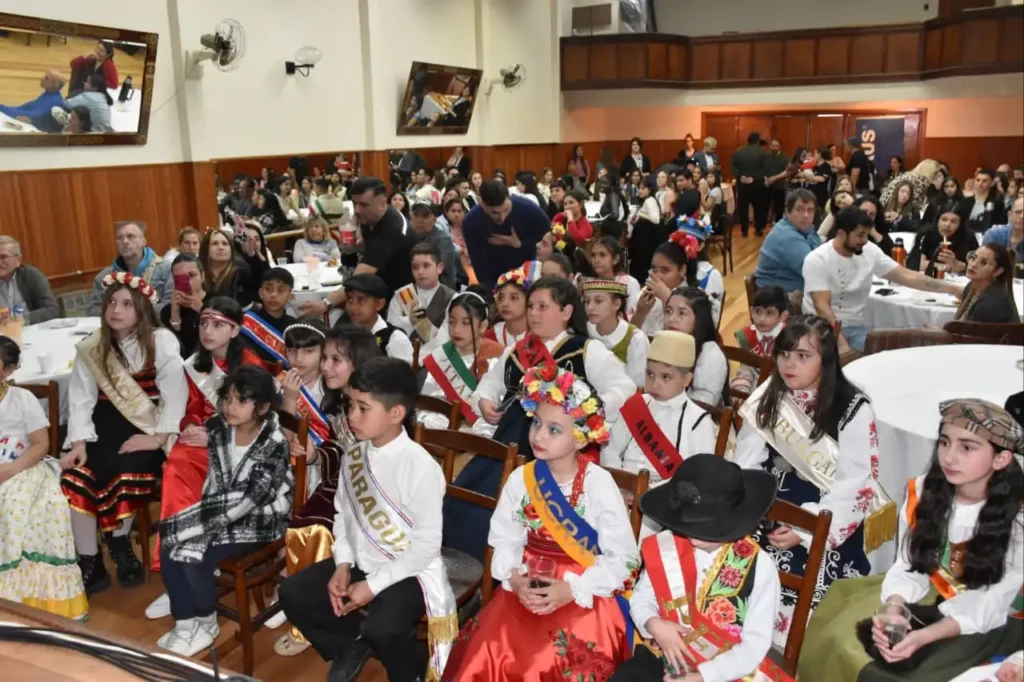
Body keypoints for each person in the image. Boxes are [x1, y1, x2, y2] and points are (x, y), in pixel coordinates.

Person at [798, 399, 1024, 682]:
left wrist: (923, 636)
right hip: (930, 589)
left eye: (967, 447)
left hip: (986, 619)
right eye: (944, 442)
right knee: (836, 636)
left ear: (1000, 458)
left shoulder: (1017, 518)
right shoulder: (924, 491)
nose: (949, 457)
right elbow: (909, 565)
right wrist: (895, 608)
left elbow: (989, 603)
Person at [444, 365, 639, 680]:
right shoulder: (523, 478)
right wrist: (515, 580)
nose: (538, 434)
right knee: (491, 647)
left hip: (583, 590)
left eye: (554, 429)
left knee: (548, 659)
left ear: (579, 440)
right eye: (536, 423)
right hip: (527, 583)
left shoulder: (598, 484)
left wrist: (571, 590)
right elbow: (505, 540)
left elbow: (626, 562)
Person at [280, 358, 456, 681]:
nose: (351, 416)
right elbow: (343, 513)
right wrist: (343, 564)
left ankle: (410, 671)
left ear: (395, 414)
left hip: (409, 569)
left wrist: (372, 586)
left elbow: (427, 546)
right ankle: (351, 642)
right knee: (293, 593)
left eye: (363, 408)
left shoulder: (421, 467)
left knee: (384, 627)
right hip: (363, 559)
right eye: (350, 405)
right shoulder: (354, 455)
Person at [732, 315, 895, 650]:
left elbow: (856, 485)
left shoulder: (853, 408)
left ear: (826, 359)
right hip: (768, 501)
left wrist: (807, 530)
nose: (790, 364)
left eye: (803, 356)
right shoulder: (770, 394)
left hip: (826, 514)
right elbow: (746, 460)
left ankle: (787, 650)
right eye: (784, 354)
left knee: (805, 575)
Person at [453, 276, 635, 561]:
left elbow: (624, 388)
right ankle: (469, 565)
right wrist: (486, 401)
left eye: (542, 307)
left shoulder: (586, 350)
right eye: (532, 307)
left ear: (566, 312)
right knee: (463, 500)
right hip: (504, 447)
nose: (534, 314)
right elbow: (489, 384)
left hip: (555, 459)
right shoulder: (518, 350)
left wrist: (585, 409)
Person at [61, 272, 187, 594]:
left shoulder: (161, 341)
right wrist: (78, 443)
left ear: (142, 309)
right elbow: (80, 399)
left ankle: (119, 544)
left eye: (127, 304)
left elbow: (175, 394)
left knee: (126, 473)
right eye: (112, 303)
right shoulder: (93, 347)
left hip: (144, 427)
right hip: (100, 428)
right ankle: (91, 562)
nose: (116, 310)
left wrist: (158, 438)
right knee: (77, 476)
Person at [609, 455, 786, 682]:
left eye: (704, 525)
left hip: (725, 669)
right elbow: (641, 598)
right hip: (665, 653)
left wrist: (702, 676)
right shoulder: (667, 546)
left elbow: (754, 646)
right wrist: (654, 624)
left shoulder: (759, 567)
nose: (691, 533)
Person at [157, 365, 292, 656]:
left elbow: (252, 498)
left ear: (263, 407)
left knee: (194, 553)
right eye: (228, 398)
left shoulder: (275, 443)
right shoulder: (219, 428)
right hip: (221, 511)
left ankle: (206, 622)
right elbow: (216, 484)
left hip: (260, 521)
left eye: (242, 401)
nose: (231, 407)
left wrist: (198, 523)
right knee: (169, 541)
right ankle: (184, 624)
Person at [144, 297, 264, 619]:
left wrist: (211, 433)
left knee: (179, 469)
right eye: (204, 323)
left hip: (239, 447)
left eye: (218, 325)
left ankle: (178, 575)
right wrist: (191, 426)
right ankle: (179, 572)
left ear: (235, 329)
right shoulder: (197, 363)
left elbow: (256, 419)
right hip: (205, 443)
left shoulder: (251, 364)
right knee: (177, 465)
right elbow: (193, 409)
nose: (208, 331)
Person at [272, 325, 381, 657]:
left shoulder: (378, 405)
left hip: (377, 497)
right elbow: (339, 445)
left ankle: (316, 615)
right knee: (303, 523)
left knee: (318, 530)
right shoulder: (343, 400)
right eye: (327, 359)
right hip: (343, 481)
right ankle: (308, 606)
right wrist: (319, 454)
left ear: (359, 363)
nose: (326, 366)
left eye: (337, 360)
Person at [0, 336, 88, 620]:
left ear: (8, 370)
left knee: (19, 507)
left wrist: (10, 470)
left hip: (22, 464)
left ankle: (23, 600)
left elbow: (40, 444)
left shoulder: (21, 399)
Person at [802, 207, 962, 353]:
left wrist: (954, 289)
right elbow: (823, 309)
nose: (865, 240)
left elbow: (908, 276)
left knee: (905, 350)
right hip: (820, 331)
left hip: (857, 329)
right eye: (860, 235)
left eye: (866, 234)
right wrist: (842, 345)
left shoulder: (869, 250)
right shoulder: (817, 259)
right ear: (842, 234)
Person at [603, 330, 715, 495]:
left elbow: (699, 474)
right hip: (622, 491)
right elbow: (610, 448)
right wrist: (618, 487)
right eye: (650, 374)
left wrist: (650, 495)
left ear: (686, 379)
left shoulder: (699, 420)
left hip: (665, 501)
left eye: (665, 377)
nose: (654, 384)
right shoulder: (636, 405)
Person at [303, 179, 418, 319]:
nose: (357, 210)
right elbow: (368, 244)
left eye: (363, 204)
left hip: (401, 299)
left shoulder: (392, 230)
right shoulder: (370, 217)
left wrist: (325, 304)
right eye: (354, 203)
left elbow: (358, 280)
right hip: (380, 288)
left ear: (382, 203)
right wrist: (352, 247)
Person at [418, 292, 503, 435]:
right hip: (441, 434)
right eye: (452, 322)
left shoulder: (496, 356)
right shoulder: (441, 357)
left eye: (465, 323)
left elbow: (496, 411)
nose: (456, 329)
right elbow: (427, 406)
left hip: (479, 437)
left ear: (482, 326)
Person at [463, 180, 552, 290]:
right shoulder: (471, 221)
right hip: (494, 275)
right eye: (495, 213)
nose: (502, 217)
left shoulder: (527, 208)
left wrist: (521, 244)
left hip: (529, 272)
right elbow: (478, 262)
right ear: (482, 203)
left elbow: (548, 235)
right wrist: (491, 290)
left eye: (506, 210)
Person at [87, 221, 173, 315]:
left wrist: (133, 313)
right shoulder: (104, 277)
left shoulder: (167, 270)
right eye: (120, 238)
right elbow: (94, 311)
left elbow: (170, 308)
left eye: (131, 236)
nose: (125, 241)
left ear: (143, 241)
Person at [662, 287, 728, 407]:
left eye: (681, 313)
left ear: (699, 319)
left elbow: (704, 406)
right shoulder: (665, 343)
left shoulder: (711, 355)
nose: (671, 319)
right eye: (668, 311)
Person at [386, 242, 455, 355]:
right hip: (403, 358)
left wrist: (422, 324)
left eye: (426, 265)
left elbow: (448, 337)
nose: (420, 272)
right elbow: (390, 329)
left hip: (437, 359)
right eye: (415, 267)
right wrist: (409, 321)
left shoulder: (453, 299)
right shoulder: (402, 294)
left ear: (439, 268)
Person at [582, 278, 649, 388]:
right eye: (587, 301)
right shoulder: (584, 331)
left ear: (616, 304)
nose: (590, 307)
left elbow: (638, 385)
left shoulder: (635, 338)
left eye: (598, 301)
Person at [754, 189, 821, 294]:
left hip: (793, 292)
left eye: (810, 210)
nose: (806, 215)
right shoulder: (786, 236)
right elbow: (815, 271)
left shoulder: (804, 229)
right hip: (777, 301)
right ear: (787, 211)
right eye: (800, 210)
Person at [341, 273, 414, 363]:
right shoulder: (345, 335)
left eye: (361, 301)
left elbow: (402, 376)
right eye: (350, 300)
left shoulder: (395, 340)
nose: (353, 307)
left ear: (379, 304)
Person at [731, 284, 788, 396]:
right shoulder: (745, 336)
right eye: (758, 312)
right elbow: (746, 369)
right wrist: (742, 392)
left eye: (769, 313)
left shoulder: (789, 336)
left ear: (782, 316)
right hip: (754, 381)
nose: (762, 319)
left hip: (782, 383)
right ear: (751, 311)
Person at [948, 244, 1021, 324]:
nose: (973, 264)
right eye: (973, 258)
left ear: (997, 271)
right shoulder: (973, 287)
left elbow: (968, 334)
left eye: (984, 262)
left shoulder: (991, 303)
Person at [239, 267, 297, 368]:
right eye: (269, 289)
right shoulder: (246, 324)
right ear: (261, 293)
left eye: (281, 290)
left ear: (290, 296)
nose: (273, 295)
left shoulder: (295, 327)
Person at [198, 228, 263, 309]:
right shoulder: (197, 274)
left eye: (225, 244)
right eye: (215, 244)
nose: (221, 247)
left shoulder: (241, 272)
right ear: (205, 249)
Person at [0, 235, 59, 324]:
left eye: (3, 257)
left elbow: (51, 310)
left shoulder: (31, 276)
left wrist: (17, 319)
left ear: (18, 260)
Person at [580, 235, 641, 320]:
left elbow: (633, 315)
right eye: (593, 255)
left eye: (602, 255)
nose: (596, 260)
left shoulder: (629, 283)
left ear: (615, 259)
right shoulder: (591, 284)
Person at [161, 254, 206, 357]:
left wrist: (203, 310)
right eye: (180, 278)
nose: (188, 281)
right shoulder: (167, 311)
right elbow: (172, 350)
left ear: (202, 276)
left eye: (192, 275)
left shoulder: (218, 303)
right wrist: (175, 314)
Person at [913, 203, 975, 277]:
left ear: (960, 225)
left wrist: (956, 263)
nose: (947, 225)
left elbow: (975, 266)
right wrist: (947, 267)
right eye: (944, 219)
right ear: (938, 220)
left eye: (953, 222)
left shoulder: (969, 238)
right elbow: (918, 264)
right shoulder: (926, 234)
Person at [408, 201, 458, 289]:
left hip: (441, 290)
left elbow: (436, 271)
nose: (420, 220)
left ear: (434, 220)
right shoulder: (407, 236)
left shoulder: (443, 240)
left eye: (425, 216)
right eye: (416, 215)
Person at [482, 263, 530, 348]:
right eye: (501, 298)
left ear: (528, 301)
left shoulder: (538, 334)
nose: (504, 304)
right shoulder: (491, 336)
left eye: (513, 298)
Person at [732, 132, 769, 237]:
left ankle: (744, 230)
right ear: (758, 141)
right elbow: (765, 168)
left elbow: (734, 167)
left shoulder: (739, 152)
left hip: (743, 184)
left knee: (743, 207)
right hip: (757, 184)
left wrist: (740, 177)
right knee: (758, 207)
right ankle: (758, 229)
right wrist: (754, 178)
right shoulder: (762, 152)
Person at [0, 69, 64, 120]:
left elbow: (30, 116)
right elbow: (24, 108)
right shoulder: (48, 94)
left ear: (54, 84)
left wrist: (3, 108)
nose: (42, 79)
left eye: (46, 78)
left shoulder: (54, 101)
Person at [965, 168, 1009, 234]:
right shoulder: (965, 202)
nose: (980, 183)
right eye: (978, 180)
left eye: (984, 181)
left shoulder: (997, 204)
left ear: (992, 183)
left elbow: (1000, 226)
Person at [983, 196, 1024, 264]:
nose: (1022, 216)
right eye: (1018, 212)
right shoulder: (994, 234)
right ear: (1009, 215)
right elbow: (983, 263)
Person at [763, 137, 791, 224]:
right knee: (764, 206)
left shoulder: (784, 157)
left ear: (779, 147)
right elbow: (761, 169)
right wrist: (766, 179)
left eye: (776, 146)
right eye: (772, 145)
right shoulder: (765, 156)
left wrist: (774, 178)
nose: (774, 147)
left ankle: (778, 224)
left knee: (779, 208)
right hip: (766, 185)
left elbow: (786, 171)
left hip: (779, 186)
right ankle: (763, 224)